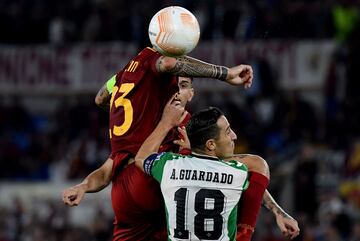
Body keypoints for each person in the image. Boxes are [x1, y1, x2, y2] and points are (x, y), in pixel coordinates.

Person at [63, 75, 299, 240]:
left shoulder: (200, 132)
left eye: (184, 85)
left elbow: (235, 173)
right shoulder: (142, 126)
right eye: (172, 84)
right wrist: (83, 185)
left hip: (169, 232)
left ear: (191, 93)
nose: (177, 90)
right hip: (131, 232)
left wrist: (279, 212)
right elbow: (108, 168)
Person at [135, 103, 264, 240]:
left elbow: (141, 158)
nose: (234, 136)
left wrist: (166, 122)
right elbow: (258, 165)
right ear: (211, 144)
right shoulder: (238, 172)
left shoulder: (168, 165)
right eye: (227, 131)